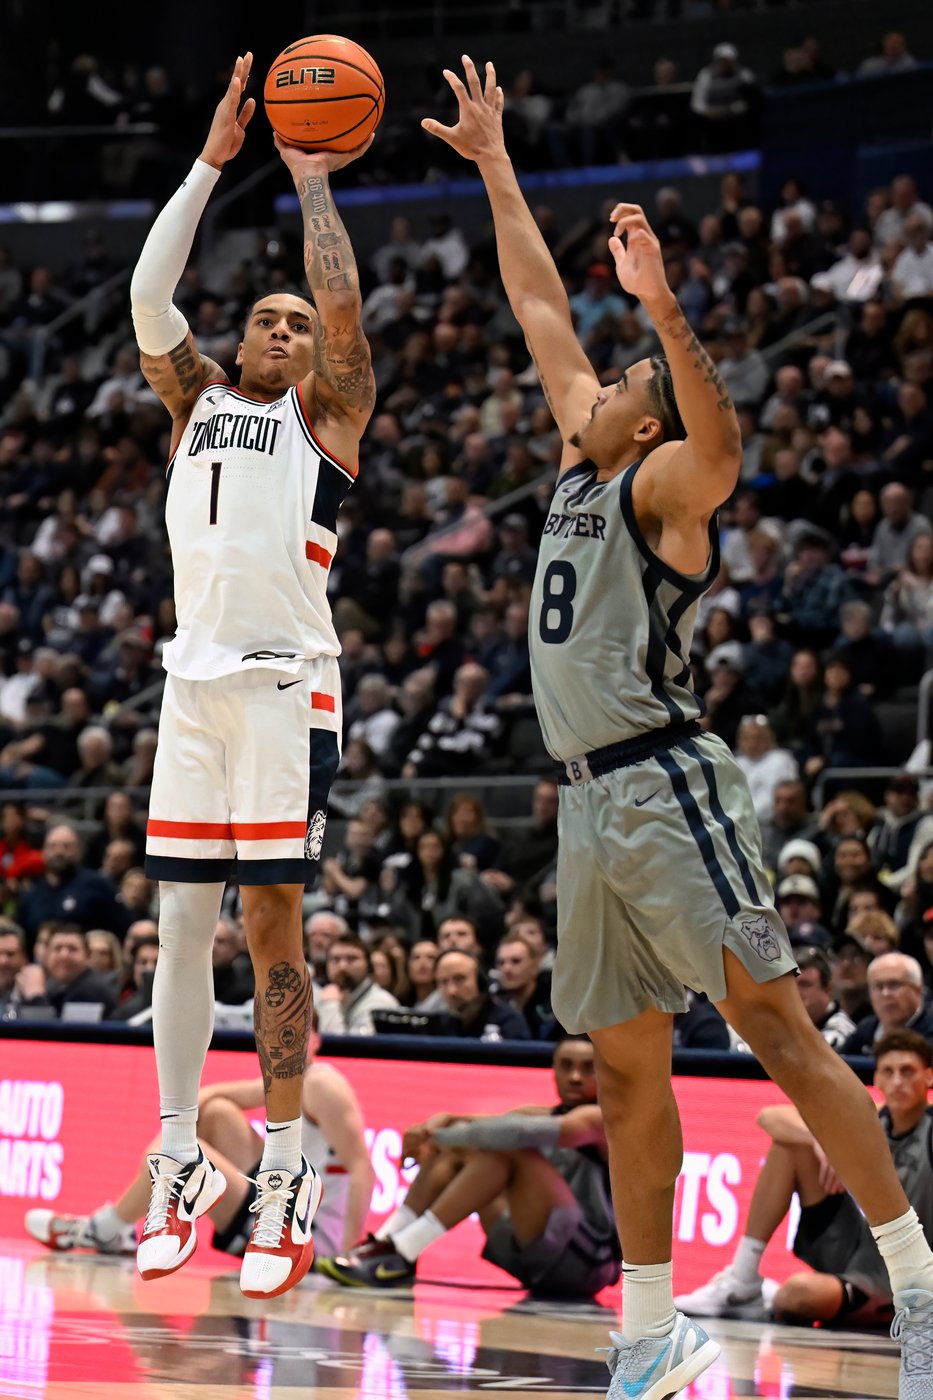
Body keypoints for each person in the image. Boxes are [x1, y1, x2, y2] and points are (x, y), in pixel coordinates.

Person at [422, 57, 933, 1397]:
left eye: (620, 371)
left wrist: (669, 311)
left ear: (642, 411)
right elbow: (536, 297)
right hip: (587, 810)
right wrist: (493, 164)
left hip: (672, 791)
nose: (583, 378)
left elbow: (725, 447)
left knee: (775, 1023)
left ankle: (921, 1287)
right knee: (629, 1067)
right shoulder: (583, 457)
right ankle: (649, 1331)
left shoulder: (661, 484)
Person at [129, 53, 375, 1297]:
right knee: (177, 926)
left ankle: (283, 1164)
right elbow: (145, 287)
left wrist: (314, 180)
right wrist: (213, 161)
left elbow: (343, 319)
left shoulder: (325, 413)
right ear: (238, 336)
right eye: (266, 316)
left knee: (270, 926)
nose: (286, 327)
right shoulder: (191, 403)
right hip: (192, 685)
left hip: (289, 685)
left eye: (297, 319)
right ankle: (180, 1155)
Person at [24, 1024, 374, 1264]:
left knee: (175, 1147)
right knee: (214, 1114)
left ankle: (103, 1230)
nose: (281, 1044)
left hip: (303, 1237)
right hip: (279, 1206)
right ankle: (133, 1220)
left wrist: (347, 1256)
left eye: (294, 1035)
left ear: (315, 1040)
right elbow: (210, 1098)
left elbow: (362, 1169)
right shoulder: (292, 1079)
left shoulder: (321, 1084)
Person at [319, 1034, 619, 1297]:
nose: (575, 1076)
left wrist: (437, 1132)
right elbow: (489, 1128)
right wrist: (439, 1125)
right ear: (553, 1070)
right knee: (462, 1149)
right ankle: (389, 1244)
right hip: (543, 1257)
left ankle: (402, 1251)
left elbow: (518, 1132)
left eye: (587, 1067)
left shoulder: (601, 1119)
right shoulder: (541, 1113)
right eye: (566, 1066)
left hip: (588, 1263)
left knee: (507, 1147)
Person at [675, 1032, 933, 1327]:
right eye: (889, 1071)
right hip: (855, 1247)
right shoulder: (873, 1119)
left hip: (900, 1276)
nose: (898, 1080)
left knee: (799, 1295)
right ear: (877, 1078)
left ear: (928, 1077)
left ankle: (772, 1296)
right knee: (790, 1144)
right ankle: (743, 1279)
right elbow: (769, 1117)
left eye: (907, 1071)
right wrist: (822, 1141)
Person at [841, 953, 933, 1055]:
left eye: (894, 984)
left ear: (917, 990)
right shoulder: (865, 1030)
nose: (885, 993)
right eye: (878, 986)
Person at [434, 948, 530, 1041]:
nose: (452, 991)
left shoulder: (509, 1022)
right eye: (443, 982)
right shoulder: (440, 1024)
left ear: (480, 981)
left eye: (459, 979)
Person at [315, 935, 400, 1035]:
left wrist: (330, 1005)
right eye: (335, 959)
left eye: (352, 959)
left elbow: (344, 1048)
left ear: (368, 965)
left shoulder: (381, 1002)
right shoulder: (324, 994)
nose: (342, 966)